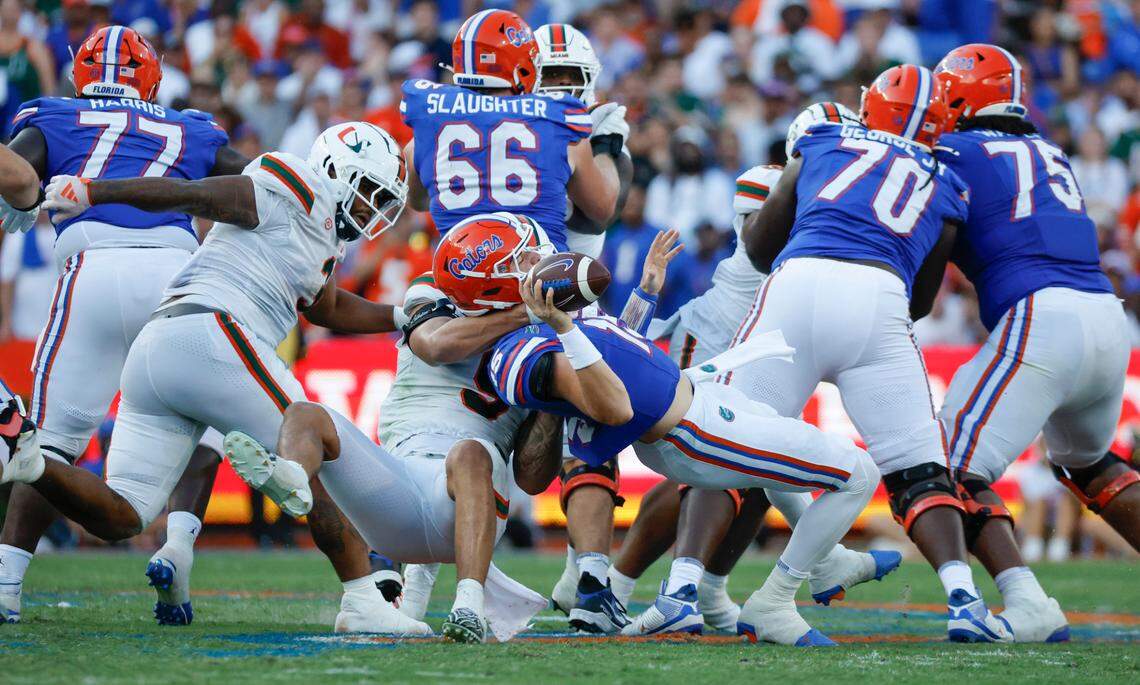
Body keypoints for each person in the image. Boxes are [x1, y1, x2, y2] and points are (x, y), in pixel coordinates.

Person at [9, 121, 431, 636]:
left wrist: (401, 316)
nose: (371, 212)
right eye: (367, 194)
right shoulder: (292, 184)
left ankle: (27, 457)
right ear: (333, 172)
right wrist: (96, 192)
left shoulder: (321, 233)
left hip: (160, 349)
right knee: (312, 437)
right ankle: (363, 596)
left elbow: (330, 308)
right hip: (215, 331)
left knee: (121, 517)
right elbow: (193, 194)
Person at [426, 218, 883, 646]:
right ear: (492, 289)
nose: (538, 260)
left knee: (783, 463)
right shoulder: (518, 354)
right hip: (693, 430)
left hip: (698, 400)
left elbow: (617, 347)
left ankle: (826, 562)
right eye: (521, 261)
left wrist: (645, 292)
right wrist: (564, 327)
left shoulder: (541, 325)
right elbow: (615, 405)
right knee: (858, 472)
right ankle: (776, 600)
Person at [735, 64, 1011, 643]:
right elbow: (922, 301)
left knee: (732, 435)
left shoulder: (822, 138)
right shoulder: (945, 180)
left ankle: (685, 587)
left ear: (872, 107)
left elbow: (761, 248)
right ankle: (964, 599)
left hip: (798, 281)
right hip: (878, 299)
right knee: (919, 469)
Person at [0, 25, 248, 626]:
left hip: (90, 269)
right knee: (208, 418)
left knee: (49, 440)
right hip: (173, 274)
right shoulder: (191, 127)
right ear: (152, 77)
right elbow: (253, 185)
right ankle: (179, 545)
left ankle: (6, 583)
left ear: (81, 74)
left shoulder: (55, 116)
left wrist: (22, 206)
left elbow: (18, 178)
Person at [228, 214, 567, 644]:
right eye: (524, 260)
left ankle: (468, 605)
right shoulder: (435, 290)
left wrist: (556, 398)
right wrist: (523, 315)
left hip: (472, 500)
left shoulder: (546, 335)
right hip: (398, 487)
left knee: (470, 452)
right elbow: (436, 345)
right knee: (305, 413)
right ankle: (295, 481)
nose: (535, 269)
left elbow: (533, 481)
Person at [933, 43, 1137, 642]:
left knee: (940, 470)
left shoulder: (952, 150)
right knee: (1092, 466)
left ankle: (1028, 604)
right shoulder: (1048, 151)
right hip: (1106, 316)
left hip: (1041, 315)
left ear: (963, 95)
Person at [532, 20, 636, 632]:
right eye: (554, 76)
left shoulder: (595, 129)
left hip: (574, 301)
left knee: (588, 431)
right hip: (507, 292)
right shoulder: (513, 125)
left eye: (575, 78)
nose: (566, 88)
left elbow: (602, 204)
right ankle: (403, 579)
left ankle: (586, 572)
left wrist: (580, 138)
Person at [399, 9, 626, 250]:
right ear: (522, 65)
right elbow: (602, 209)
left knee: (419, 289)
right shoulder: (559, 119)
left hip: (462, 273)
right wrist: (605, 144)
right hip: (541, 277)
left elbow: (418, 200)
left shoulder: (429, 123)